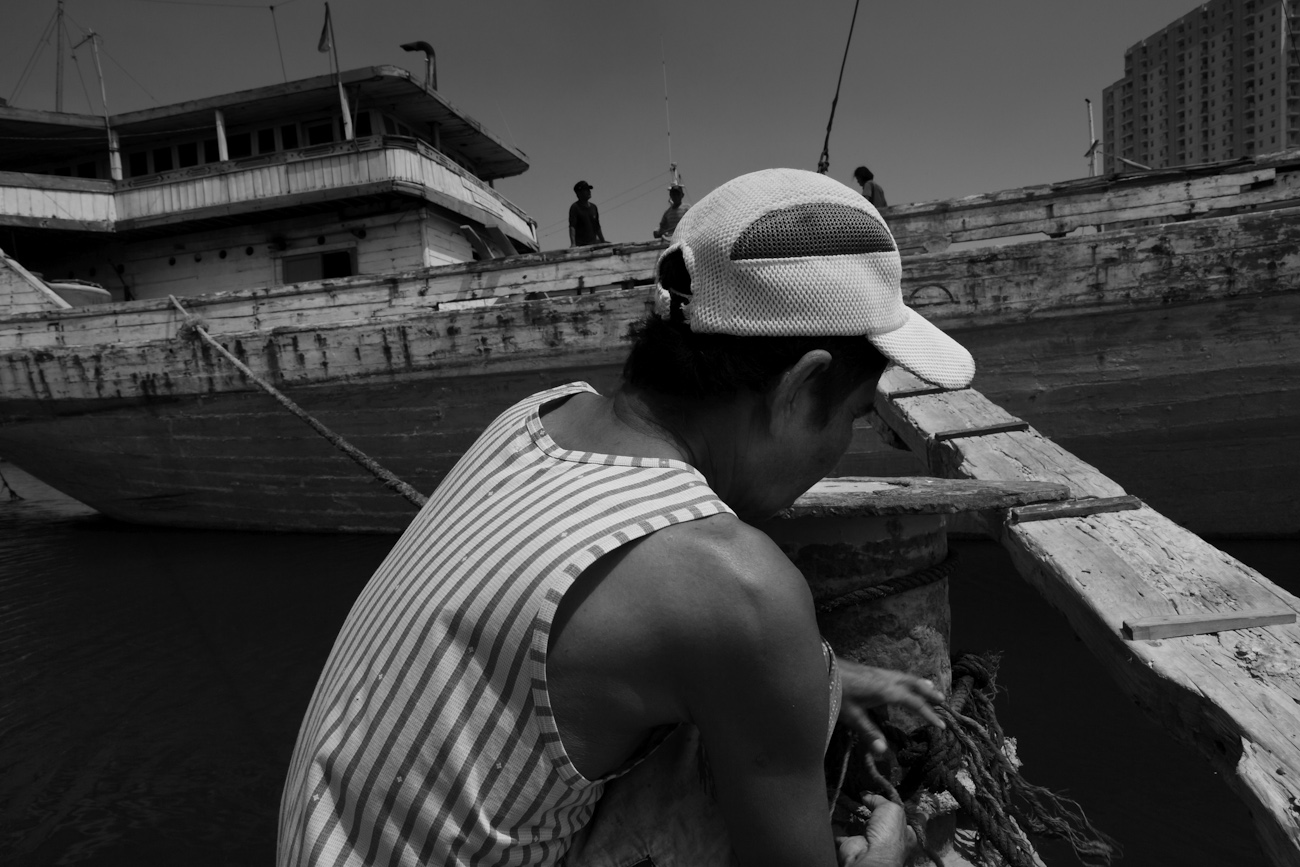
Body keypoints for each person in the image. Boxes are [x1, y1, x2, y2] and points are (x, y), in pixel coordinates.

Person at [277, 168, 975, 867]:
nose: (840, 448)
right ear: (797, 389)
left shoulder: (536, 415)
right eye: (854, 416)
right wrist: (890, 855)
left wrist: (819, 675)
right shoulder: (734, 585)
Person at [569, 179, 606, 246]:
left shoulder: (594, 207)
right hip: (581, 245)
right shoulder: (575, 207)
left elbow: (597, 227)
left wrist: (603, 241)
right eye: (586, 190)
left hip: (593, 244)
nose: (589, 192)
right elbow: (572, 226)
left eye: (589, 190)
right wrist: (573, 244)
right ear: (579, 193)